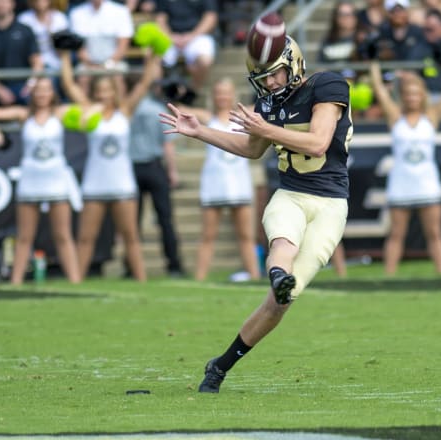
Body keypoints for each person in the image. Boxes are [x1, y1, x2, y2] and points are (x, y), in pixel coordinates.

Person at [161, 32, 352, 392]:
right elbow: (251, 149)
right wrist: (200, 130)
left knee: (280, 306)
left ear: (294, 63)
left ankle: (220, 364)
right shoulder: (267, 105)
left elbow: (318, 142)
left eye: (276, 74)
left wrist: (268, 128)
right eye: (263, 78)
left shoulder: (327, 85)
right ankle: (278, 274)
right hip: (292, 193)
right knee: (283, 243)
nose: (271, 82)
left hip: (331, 204)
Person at [59, 49, 162, 281]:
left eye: (108, 90)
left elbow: (144, 83)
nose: (104, 94)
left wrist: (153, 56)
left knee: (131, 237)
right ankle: (77, 281)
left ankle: (141, 280)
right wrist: (65, 56)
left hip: (122, 184)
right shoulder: (89, 110)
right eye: (99, 91)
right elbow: (68, 85)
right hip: (95, 183)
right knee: (86, 237)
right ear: (95, 93)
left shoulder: (124, 111)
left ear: (114, 92)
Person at [0, 76, 82, 285]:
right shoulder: (24, 115)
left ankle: (75, 280)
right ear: (32, 94)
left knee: (63, 235)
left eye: (47, 90)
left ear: (53, 93)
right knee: (25, 236)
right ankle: (16, 282)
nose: (42, 94)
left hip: (56, 180)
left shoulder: (60, 114)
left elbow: (88, 108)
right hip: (31, 179)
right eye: (38, 90)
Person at [369, 61, 441, 276]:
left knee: (435, 233)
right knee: (396, 234)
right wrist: (374, 65)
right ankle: (388, 276)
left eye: (416, 93)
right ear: (403, 95)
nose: (412, 97)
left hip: (427, 183)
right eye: (408, 93)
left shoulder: (432, 116)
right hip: (401, 183)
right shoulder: (395, 117)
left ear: (423, 95)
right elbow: (379, 90)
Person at [177, 77, 261, 282]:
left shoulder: (244, 115)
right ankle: (200, 278)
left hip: (239, 183)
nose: (223, 97)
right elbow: (180, 110)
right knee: (207, 236)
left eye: (226, 92)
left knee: (246, 236)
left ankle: (255, 276)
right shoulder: (207, 117)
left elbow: (269, 104)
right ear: (213, 96)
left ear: (233, 95)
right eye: (219, 93)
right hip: (214, 183)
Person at [128, 82, 184, 278]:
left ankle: (130, 267)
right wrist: (172, 171)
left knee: (131, 222)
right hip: (153, 166)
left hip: (131, 167)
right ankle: (174, 265)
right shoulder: (157, 109)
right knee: (165, 219)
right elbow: (168, 144)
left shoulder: (128, 109)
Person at [155, 0, 218, 91]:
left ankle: (192, 92)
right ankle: (158, 94)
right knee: (153, 58)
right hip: (170, 37)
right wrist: (170, 37)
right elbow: (160, 19)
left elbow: (210, 17)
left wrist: (191, 36)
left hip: (197, 37)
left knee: (205, 61)